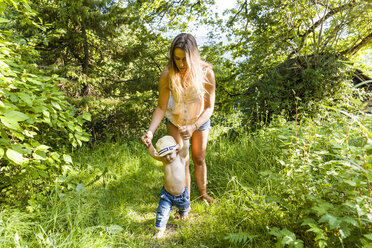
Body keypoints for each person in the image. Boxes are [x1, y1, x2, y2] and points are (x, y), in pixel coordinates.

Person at [141, 33, 216, 203]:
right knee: (182, 159)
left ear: (193, 57)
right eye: (177, 59)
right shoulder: (168, 74)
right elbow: (161, 107)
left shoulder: (207, 73)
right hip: (176, 120)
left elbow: (209, 107)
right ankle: (185, 201)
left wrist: (194, 126)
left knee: (199, 157)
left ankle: (203, 193)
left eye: (185, 60)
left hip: (199, 119)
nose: (181, 64)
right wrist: (150, 132)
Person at [146, 135, 190, 239]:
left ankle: (183, 213)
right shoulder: (164, 160)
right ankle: (160, 231)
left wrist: (185, 137)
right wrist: (149, 145)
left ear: (176, 150)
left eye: (170, 154)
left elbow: (186, 147)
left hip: (181, 195)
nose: (168, 157)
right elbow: (153, 154)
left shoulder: (181, 158)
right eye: (164, 155)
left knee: (184, 207)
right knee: (162, 212)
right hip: (166, 194)